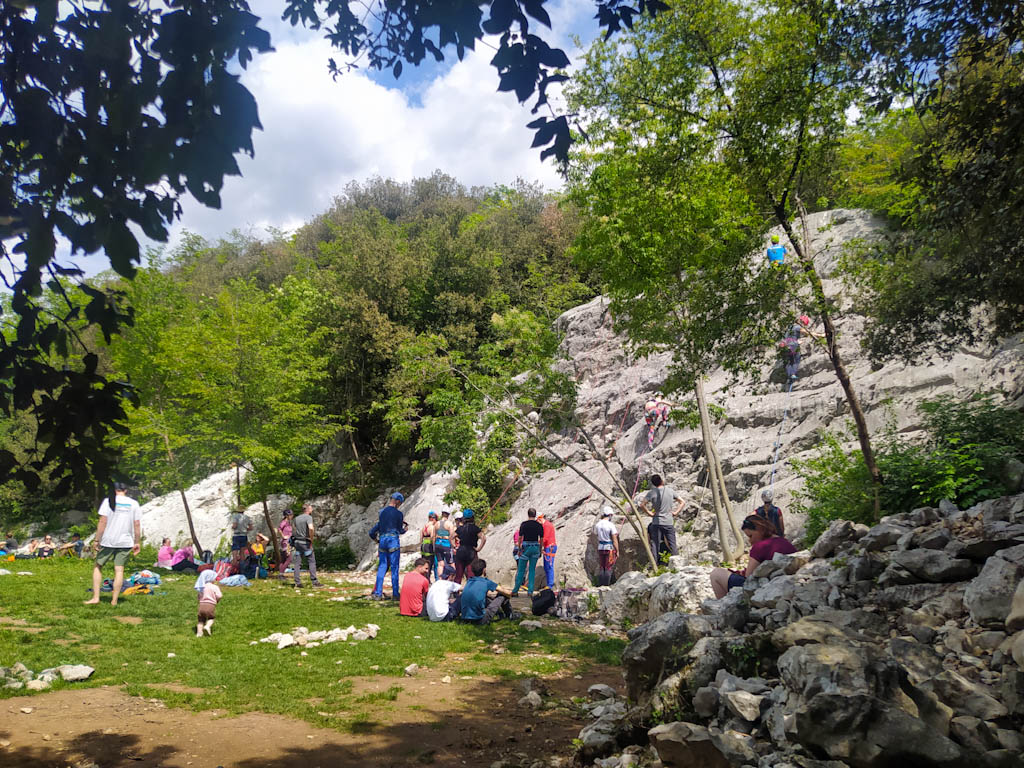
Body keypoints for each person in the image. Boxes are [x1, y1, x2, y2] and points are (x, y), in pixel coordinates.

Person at [84, 482, 142, 606]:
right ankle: (114, 601)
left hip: (109, 540)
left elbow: (103, 521)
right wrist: (137, 542)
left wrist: (96, 540)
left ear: (114, 490)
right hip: (125, 541)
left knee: (98, 566)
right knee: (119, 570)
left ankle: (96, 598)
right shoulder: (134, 503)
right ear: (125, 490)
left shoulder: (107, 501)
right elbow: (137, 524)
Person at [710, 515, 796, 598]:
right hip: (784, 585)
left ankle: (723, 606)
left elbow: (748, 577)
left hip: (760, 589)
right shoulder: (786, 542)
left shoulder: (760, 546)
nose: (750, 541)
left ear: (760, 529)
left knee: (716, 574)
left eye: (751, 536)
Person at [370, 492, 406, 599]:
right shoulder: (398, 514)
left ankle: (378, 593)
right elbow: (399, 530)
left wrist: (377, 540)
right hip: (393, 540)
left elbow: (373, 531)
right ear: (398, 502)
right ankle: (395, 593)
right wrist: (405, 530)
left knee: (382, 567)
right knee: (394, 568)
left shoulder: (382, 513)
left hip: (382, 541)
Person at [642, 474, 684, 561]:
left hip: (657, 521)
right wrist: (676, 512)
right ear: (662, 481)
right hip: (668, 521)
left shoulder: (652, 493)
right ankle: (677, 563)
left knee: (655, 544)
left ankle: (655, 565)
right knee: (672, 544)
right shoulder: (670, 491)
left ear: (653, 484)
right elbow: (682, 502)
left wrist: (649, 513)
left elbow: (642, 504)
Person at [460, 559, 513, 625]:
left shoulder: (469, 581)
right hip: (480, 619)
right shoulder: (486, 582)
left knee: (484, 597)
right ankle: (510, 615)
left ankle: (500, 614)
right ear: (484, 570)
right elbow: (507, 592)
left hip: (465, 618)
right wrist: (513, 592)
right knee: (502, 595)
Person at [512, 508, 544, 597]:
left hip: (526, 547)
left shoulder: (524, 524)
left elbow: (520, 537)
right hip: (535, 547)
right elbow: (541, 539)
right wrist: (540, 549)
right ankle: (530, 591)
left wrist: (519, 549)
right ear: (535, 515)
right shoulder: (539, 525)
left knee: (521, 570)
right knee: (532, 570)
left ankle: (515, 590)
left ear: (528, 514)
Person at [290, 503, 323, 589]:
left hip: (297, 542)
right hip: (305, 542)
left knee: (297, 563)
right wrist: (311, 539)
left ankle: (297, 582)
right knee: (311, 561)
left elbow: (293, 530)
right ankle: (314, 581)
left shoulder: (296, 518)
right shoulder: (308, 517)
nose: (312, 510)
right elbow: (311, 528)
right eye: (311, 508)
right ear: (307, 509)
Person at [454, 509, 485, 583]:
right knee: (471, 573)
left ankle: (455, 592)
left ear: (463, 518)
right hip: (471, 551)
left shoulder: (460, 529)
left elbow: (451, 537)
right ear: (472, 518)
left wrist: (454, 546)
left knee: (459, 574)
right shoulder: (475, 528)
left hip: (461, 551)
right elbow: (483, 538)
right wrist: (479, 548)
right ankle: (470, 589)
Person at [594, 507, 620, 586]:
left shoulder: (597, 524)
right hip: (609, 548)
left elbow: (595, 534)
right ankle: (606, 585)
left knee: (602, 566)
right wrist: (617, 551)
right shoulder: (610, 525)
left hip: (600, 547)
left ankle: (600, 584)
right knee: (608, 567)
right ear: (610, 515)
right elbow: (615, 540)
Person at [537, 510, 557, 589]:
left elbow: (545, 538)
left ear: (539, 519)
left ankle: (550, 585)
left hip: (550, 547)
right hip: (547, 547)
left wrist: (537, 543)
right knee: (546, 566)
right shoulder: (544, 525)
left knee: (549, 566)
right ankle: (549, 584)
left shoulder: (547, 525)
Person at [433, 510, 455, 580]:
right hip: (446, 544)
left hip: (438, 544)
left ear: (441, 514)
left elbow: (433, 536)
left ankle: (440, 580)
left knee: (440, 564)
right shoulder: (450, 524)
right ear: (448, 515)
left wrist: (434, 546)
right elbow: (452, 536)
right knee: (451, 563)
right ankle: (451, 580)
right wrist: (453, 546)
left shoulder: (437, 523)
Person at [420, 512, 438, 582]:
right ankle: (427, 580)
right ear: (433, 519)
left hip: (423, 546)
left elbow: (421, 538)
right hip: (429, 547)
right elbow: (433, 538)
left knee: (423, 563)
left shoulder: (424, 527)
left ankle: (424, 578)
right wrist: (434, 548)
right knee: (429, 564)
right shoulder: (432, 527)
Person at [277, 509, 294, 574]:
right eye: (290, 515)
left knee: (283, 559)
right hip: (286, 542)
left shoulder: (289, 522)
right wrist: (283, 536)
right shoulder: (284, 522)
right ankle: (281, 573)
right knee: (288, 559)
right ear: (286, 515)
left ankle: (280, 574)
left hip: (288, 541)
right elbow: (279, 529)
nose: (292, 516)